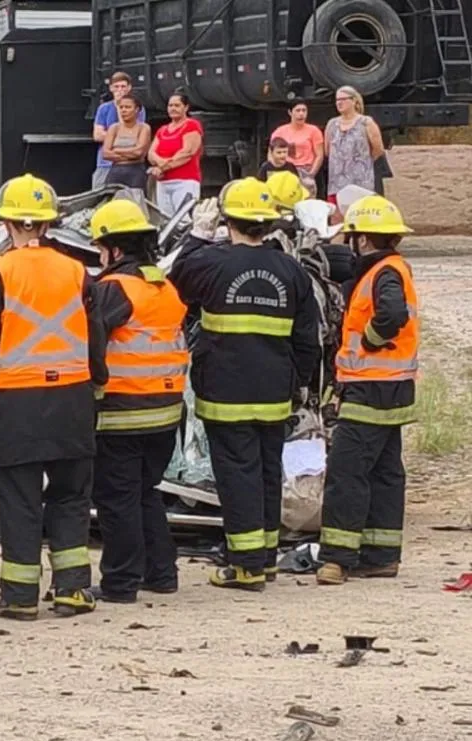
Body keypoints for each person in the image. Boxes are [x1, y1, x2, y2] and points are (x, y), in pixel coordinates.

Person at [0, 173, 108, 620]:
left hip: (14, 407)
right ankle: (72, 590)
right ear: (48, 225)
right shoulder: (78, 272)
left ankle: (20, 597)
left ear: (6, 224)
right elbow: (95, 340)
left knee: (19, 502)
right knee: (71, 497)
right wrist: (95, 388)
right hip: (72, 400)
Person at [169, 178, 320, 591]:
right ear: (269, 225)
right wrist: (298, 383)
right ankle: (266, 558)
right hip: (274, 393)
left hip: (225, 392)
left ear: (227, 219)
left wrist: (197, 235)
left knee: (238, 477)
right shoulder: (292, 271)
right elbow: (309, 339)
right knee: (268, 472)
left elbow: (178, 278)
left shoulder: (212, 263)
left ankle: (247, 566)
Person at [88, 200, 188, 602]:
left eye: (100, 248)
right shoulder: (163, 286)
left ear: (113, 249)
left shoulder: (113, 289)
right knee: (146, 492)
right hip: (165, 412)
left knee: (118, 499)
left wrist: (91, 392)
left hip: (123, 412)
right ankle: (161, 572)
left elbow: (91, 341)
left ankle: (121, 581)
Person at [316, 196, 418, 585]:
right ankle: (381, 555)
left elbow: (391, 314)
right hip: (393, 386)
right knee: (385, 470)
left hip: (371, 385)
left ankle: (336, 559)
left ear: (363, 239)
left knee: (347, 470)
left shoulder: (384, 274)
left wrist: (372, 341)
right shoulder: (393, 268)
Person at [325, 87, 384, 204]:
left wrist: (363, 161)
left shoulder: (366, 122)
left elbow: (378, 149)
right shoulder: (332, 124)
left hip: (361, 181)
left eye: (343, 99)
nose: (339, 103)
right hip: (337, 182)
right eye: (337, 100)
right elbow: (327, 151)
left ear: (354, 101)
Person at [148, 93, 204, 218]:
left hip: (184, 181)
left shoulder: (192, 125)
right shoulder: (162, 129)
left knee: (184, 219)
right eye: (170, 105)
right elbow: (151, 153)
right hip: (163, 182)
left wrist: (162, 167)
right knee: (166, 221)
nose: (173, 108)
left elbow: (187, 153)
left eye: (177, 105)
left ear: (186, 107)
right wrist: (160, 162)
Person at [91, 71, 147, 189]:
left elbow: (132, 134)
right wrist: (119, 139)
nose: (119, 90)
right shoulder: (103, 108)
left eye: (123, 87)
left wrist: (119, 107)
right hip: (104, 164)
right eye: (116, 87)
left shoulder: (138, 109)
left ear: (129, 88)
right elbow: (97, 135)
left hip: (129, 164)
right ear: (111, 88)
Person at [102, 93, 152, 190]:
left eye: (128, 107)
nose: (124, 110)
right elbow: (105, 154)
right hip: (115, 171)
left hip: (136, 171)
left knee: (135, 200)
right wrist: (130, 152)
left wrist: (116, 150)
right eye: (121, 107)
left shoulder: (143, 128)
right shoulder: (114, 128)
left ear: (136, 109)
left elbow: (139, 153)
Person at [271, 99, 325, 181]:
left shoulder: (314, 131)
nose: (301, 114)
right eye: (298, 110)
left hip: (306, 169)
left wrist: (311, 174)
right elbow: (271, 154)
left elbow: (319, 155)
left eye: (304, 110)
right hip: (285, 170)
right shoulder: (280, 131)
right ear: (290, 112)